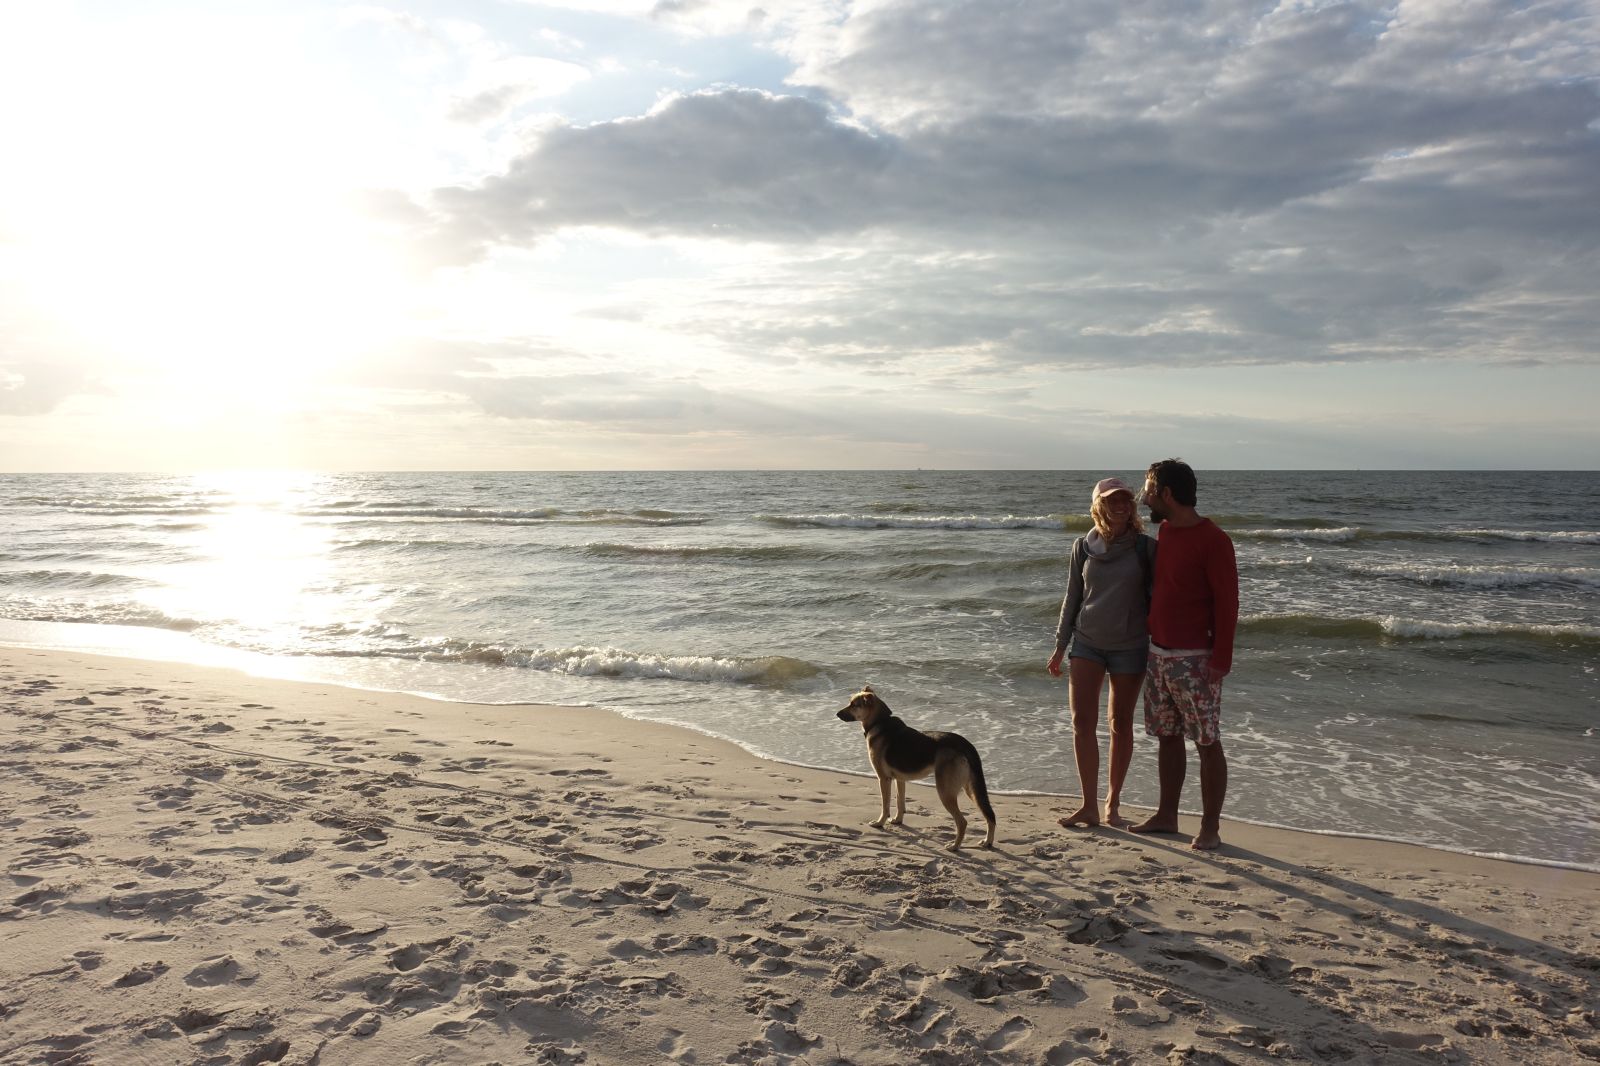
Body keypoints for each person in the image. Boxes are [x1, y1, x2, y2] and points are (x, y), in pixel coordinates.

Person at [1129, 458, 1239, 851]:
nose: (1144, 499)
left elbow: (1227, 603)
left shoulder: (1214, 540)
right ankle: (1166, 815)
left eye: (1148, 491)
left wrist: (1220, 660)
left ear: (1166, 494)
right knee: (1167, 736)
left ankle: (1210, 828)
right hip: (1158, 653)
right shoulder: (1168, 532)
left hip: (1196, 659)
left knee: (1207, 742)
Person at [1047, 477, 1156, 829]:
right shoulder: (1082, 547)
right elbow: (1072, 597)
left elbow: (1159, 598)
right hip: (1087, 643)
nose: (1121, 505)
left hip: (1130, 646)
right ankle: (1088, 806)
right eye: (1112, 500)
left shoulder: (1145, 548)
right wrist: (1060, 645)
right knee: (1082, 723)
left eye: (1125, 499)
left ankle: (1112, 804)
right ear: (1099, 506)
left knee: (1120, 725)